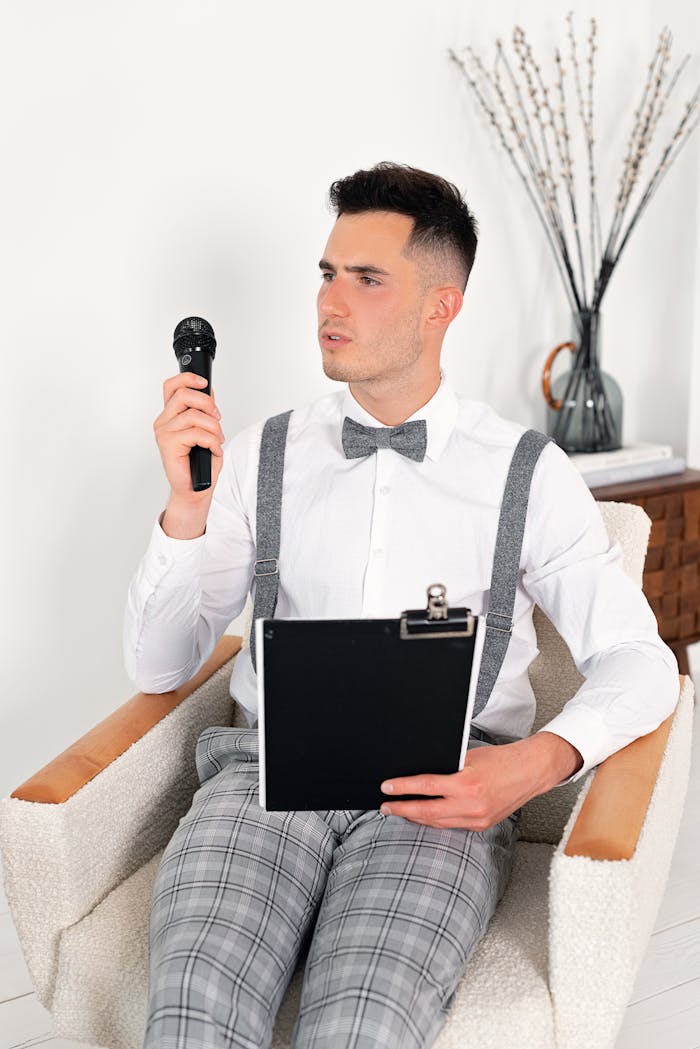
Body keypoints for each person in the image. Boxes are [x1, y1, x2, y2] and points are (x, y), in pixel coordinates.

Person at [124, 161, 678, 1049]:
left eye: (366, 278)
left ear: (440, 305)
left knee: (363, 1024)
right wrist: (185, 511)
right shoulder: (263, 455)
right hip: (265, 779)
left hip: (444, 793)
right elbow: (156, 666)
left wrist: (534, 764)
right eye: (326, 273)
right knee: (192, 1004)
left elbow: (645, 662)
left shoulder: (526, 474)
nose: (329, 303)